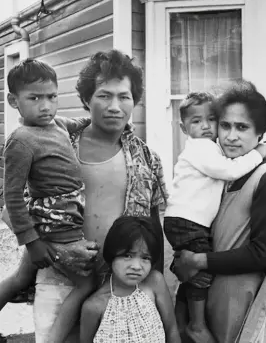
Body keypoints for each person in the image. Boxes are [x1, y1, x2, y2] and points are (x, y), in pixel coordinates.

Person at [30, 49, 169, 343]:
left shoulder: (147, 159)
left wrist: (151, 283)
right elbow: (10, 199)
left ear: (135, 101)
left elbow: (153, 227)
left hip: (119, 284)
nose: (115, 106)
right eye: (104, 95)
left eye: (124, 96)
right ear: (86, 99)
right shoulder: (55, 146)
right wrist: (52, 248)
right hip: (60, 278)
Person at [172, 80, 266, 342]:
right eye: (224, 125)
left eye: (242, 127)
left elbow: (263, 253)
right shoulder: (219, 174)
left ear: (260, 133)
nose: (231, 136)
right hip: (205, 297)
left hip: (236, 303)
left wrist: (198, 261)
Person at [0, 59, 99, 343]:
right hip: (57, 220)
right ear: (13, 101)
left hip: (62, 216)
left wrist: (101, 118)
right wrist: (32, 241)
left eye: (51, 97)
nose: (45, 106)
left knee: (20, 278)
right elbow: (13, 197)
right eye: (34, 98)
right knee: (87, 282)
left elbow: (80, 123)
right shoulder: (21, 141)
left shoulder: (56, 124)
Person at [79, 216, 179, 343]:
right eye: (127, 255)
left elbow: (171, 330)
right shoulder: (94, 306)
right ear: (112, 254)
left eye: (145, 258)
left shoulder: (154, 282)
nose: (136, 266)